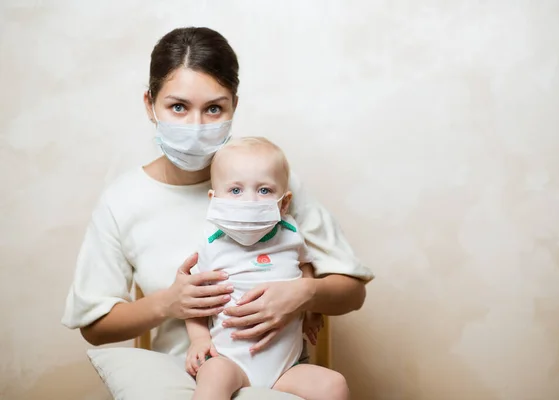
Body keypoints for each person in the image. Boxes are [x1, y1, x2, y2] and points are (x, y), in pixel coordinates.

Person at [61, 27, 374, 399]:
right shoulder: (123, 201)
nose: (195, 126)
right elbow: (95, 326)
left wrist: (304, 293)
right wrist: (168, 303)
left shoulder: (271, 185)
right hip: (192, 377)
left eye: (213, 108)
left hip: (281, 376)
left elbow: (351, 293)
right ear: (150, 104)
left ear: (234, 106)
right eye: (178, 106)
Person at [186, 136, 341, 399]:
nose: (250, 201)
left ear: (283, 203)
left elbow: (305, 268)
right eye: (235, 191)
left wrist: (312, 311)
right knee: (213, 378)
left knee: (334, 385)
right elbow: (194, 300)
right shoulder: (212, 242)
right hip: (230, 360)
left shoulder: (291, 233)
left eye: (264, 190)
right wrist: (199, 339)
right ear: (214, 199)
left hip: (286, 368)